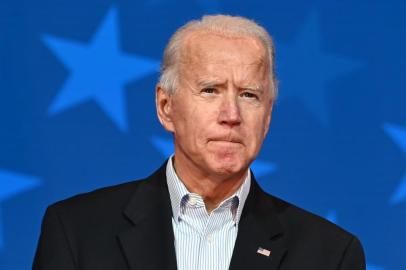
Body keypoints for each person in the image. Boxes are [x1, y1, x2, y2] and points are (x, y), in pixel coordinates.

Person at [33, 15, 365, 270]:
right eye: (210, 90)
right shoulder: (76, 231)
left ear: (267, 117)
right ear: (166, 108)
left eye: (249, 95)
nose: (231, 114)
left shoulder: (330, 255)